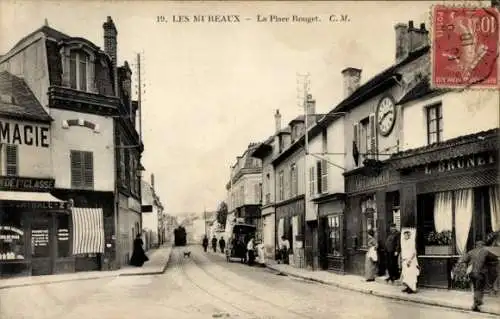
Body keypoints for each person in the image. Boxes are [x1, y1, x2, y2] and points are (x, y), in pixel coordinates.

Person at [458, 241, 498, 312]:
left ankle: (478, 301)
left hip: (472, 273)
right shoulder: (485, 251)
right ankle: (475, 304)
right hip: (480, 273)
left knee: (476, 287)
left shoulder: (471, 252)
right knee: (479, 288)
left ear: (476, 246)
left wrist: (466, 265)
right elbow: (495, 258)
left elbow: (462, 260)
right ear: (483, 245)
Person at [400, 229, 419, 294]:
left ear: (409, 236)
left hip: (410, 261)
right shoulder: (404, 242)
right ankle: (408, 287)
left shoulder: (411, 242)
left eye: (406, 235)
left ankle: (412, 288)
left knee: (411, 275)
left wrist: (410, 260)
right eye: (404, 235)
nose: (405, 236)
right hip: (405, 260)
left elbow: (414, 253)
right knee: (406, 275)